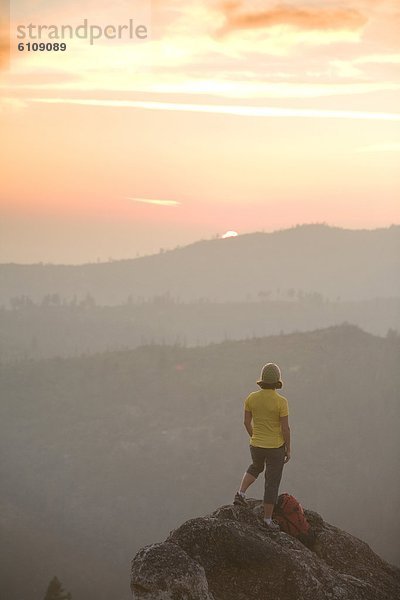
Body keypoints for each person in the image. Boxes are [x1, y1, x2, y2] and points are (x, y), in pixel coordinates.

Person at [233, 363, 291, 531]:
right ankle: (267, 520)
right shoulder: (281, 402)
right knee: (272, 481)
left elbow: (246, 421)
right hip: (275, 447)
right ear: (277, 382)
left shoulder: (251, 397)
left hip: (256, 445)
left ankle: (241, 493)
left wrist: (254, 436)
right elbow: (285, 428)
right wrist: (288, 448)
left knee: (256, 466)